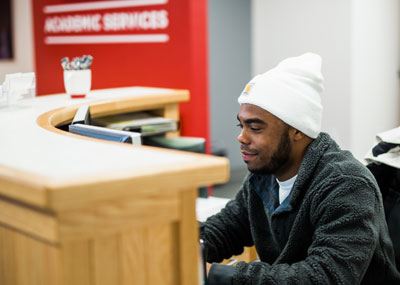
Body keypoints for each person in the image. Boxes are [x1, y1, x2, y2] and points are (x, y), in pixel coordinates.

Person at [200, 53, 400, 284]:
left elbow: (324, 277)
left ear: (297, 131)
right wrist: (187, 250)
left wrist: (216, 275)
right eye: (241, 125)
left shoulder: (347, 184)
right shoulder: (263, 177)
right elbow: (225, 229)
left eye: (255, 128)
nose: (241, 137)